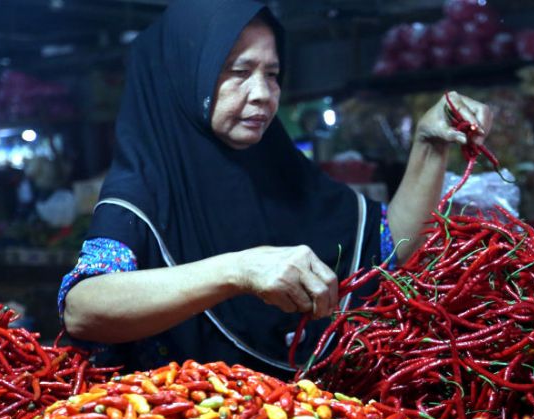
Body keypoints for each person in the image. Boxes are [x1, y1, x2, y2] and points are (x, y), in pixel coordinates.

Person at [58, 0, 492, 376]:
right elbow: (83, 308)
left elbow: (387, 250)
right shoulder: (142, 192)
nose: (263, 93)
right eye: (239, 71)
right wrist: (237, 271)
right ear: (186, 76)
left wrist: (429, 145)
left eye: (273, 73)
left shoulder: (283, 172)